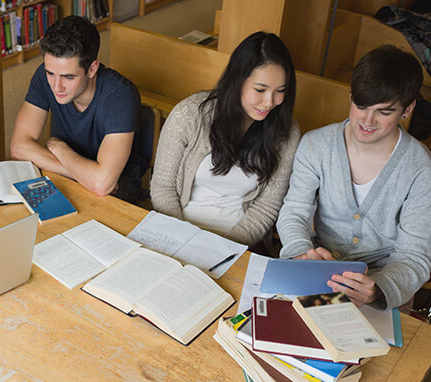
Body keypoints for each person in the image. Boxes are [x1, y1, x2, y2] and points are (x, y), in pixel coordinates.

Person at [277, 45, 431, 309]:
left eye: (384, 112)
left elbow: (414, 256)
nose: (367, 121)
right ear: (350, 96)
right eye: (360, 105)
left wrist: (379, 289)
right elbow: (294, 212)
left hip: (381, 286)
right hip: (318, 272)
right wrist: (302, 253)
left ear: (407, 109)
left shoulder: (421, 168)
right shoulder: (316, 144)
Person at [150, 32, 300, 246]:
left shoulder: (286, 132)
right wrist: (181, 238)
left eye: (280, 91)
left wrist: (224, 248)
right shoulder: (190, 114)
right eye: (260, 89)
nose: (269, 102)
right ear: (237, 80)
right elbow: (163, 188)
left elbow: (267, 207)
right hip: (175, 231)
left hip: (238, 243)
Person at [10, 16, 147, 202]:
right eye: (51, 73)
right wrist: (84, 175)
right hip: (70, 172)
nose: (56, 87)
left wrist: (57, 147)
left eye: (68, 77)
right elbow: (19, 147)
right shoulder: (44, 77)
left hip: (117, 186)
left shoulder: (121, 95)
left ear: (92, 69)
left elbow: (102, 185)